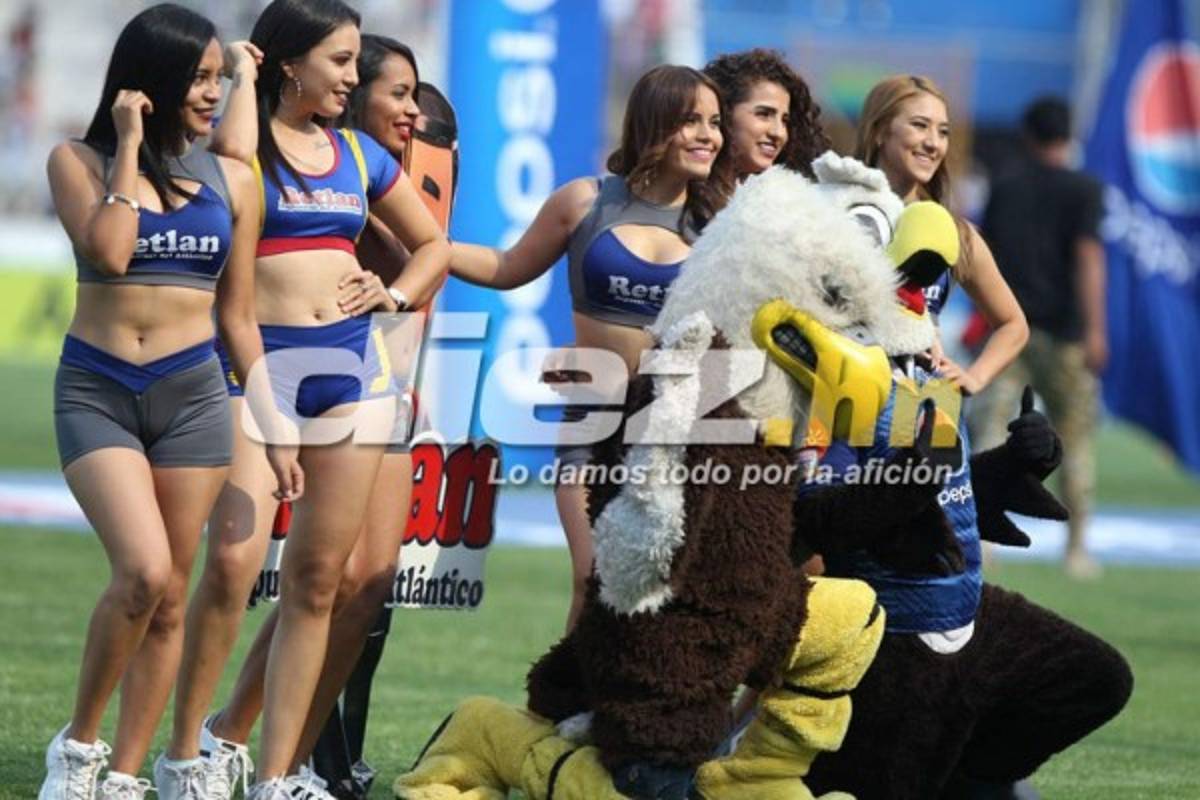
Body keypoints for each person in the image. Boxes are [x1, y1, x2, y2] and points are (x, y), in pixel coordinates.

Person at [158, 1, 449, 797]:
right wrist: (244, 75)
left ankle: (278, 774)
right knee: (231, 565)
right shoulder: (242, 153)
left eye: (357, 62)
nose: (354, 78)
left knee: (319, 584)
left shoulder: (359, 155)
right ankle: (189, 755)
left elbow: (433, 245)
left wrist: (392, 294)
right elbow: (228, 154)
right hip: (252, 375)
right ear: (290, 65)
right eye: (341, 61)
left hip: (350, 375)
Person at [38, 5, 298, 799]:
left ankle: (124, 776)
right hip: (99, 391)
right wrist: (124, 144)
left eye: (221, 78)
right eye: (200, 77)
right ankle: (78, 748)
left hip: (195, 398)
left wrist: (275, 423)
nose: (213, 93)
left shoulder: (233, 178)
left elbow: (239, 316)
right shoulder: (75, 160)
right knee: (144, 571)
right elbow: (111, 254)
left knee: (171, 597)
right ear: (149, 79)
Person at [449, 64, 733, 631]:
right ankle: (561, 712)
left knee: (667, 591)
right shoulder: (584, 202)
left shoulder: (722, 220)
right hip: (593, 420)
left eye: (715, 123)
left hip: (679, 431)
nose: (709, 135)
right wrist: (431, 249)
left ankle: (641, 714)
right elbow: (507, 268)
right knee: (593, 577)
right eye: (691, 121)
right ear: (653, 124)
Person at [978, 96, 1107, 579]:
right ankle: (1077, 548)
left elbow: (983, 256)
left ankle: (983, 541)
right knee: (1074, 437)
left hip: (1007, 331)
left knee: (990, 433)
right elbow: (1089, 260)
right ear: (1068, 135)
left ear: (1028, 136)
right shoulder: (1085, 189)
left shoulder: (1004, 187)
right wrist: (1097, 330)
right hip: (1066, 334)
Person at [854, 74, 1029, 395]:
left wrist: (975, 377)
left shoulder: (955, 233)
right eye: (920, 125)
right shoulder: (833, 214)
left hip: (917, 418)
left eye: (943, 131)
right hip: (839, 416)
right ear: (879, 131)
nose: (934, 143)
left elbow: (1013, 325)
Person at [702, 47, 829, 179]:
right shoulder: (683, 191)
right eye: (764, 114)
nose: (778, 133)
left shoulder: (796, 196)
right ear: (723, 112)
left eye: (785, 121)